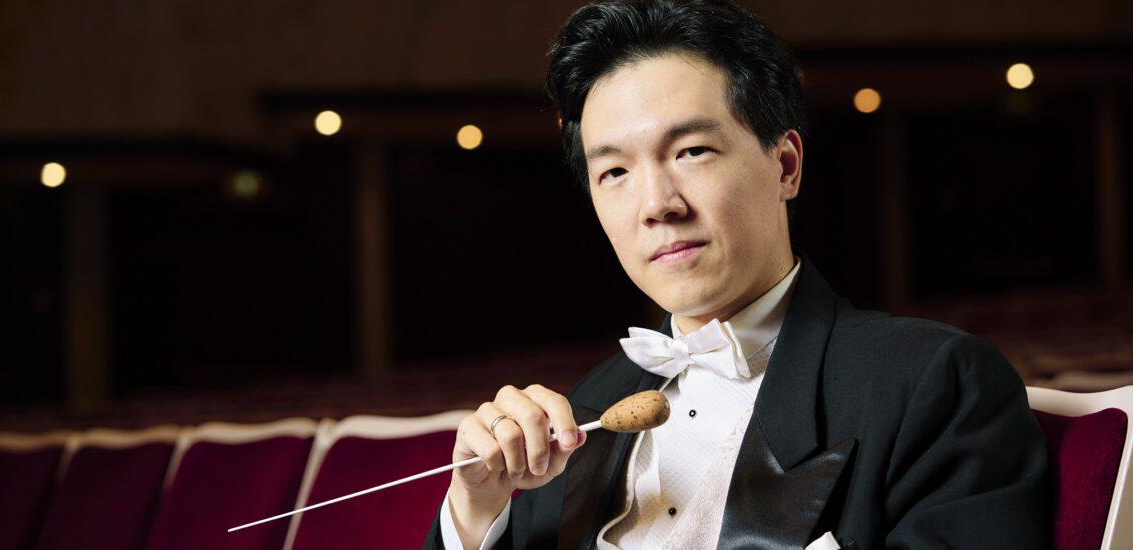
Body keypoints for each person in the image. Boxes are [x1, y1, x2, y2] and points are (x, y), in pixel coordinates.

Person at [425, 0, 1051, 548]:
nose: (656, 205)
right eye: (614, 172)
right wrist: (474, 511)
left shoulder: (933, 384)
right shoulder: (583, 409)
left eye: (691, 151)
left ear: (785, 166)